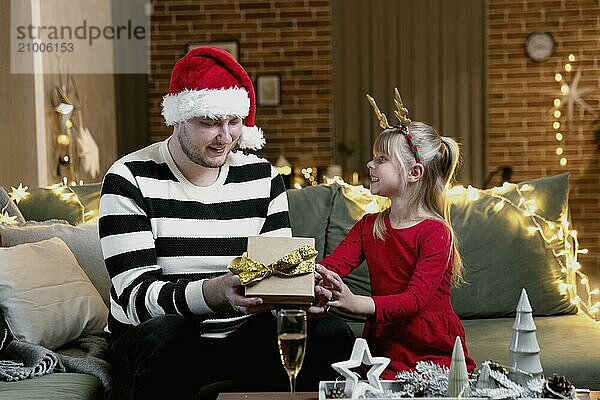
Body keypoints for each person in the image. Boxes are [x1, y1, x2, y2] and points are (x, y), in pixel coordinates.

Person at [98, 46, 354, 400]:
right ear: (178, 117)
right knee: (169, 335)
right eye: (210, 122)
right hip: (157, 338)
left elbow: (275, 275)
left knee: (332, 332)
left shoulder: (263, 178)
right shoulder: (130, 177)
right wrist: (214, 293)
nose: (225, 136)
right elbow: (134, 298)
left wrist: (299, 294)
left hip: (240, 337)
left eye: (234, 122)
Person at [316, 90, 476, 380]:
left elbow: (414, 300)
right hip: (384, 348)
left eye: (382, 159)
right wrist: (312, 280)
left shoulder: (436, 233)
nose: (370, 165)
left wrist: (356, 303)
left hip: (430, 351)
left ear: (414, 173)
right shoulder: (368, 226)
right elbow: (333, 266)